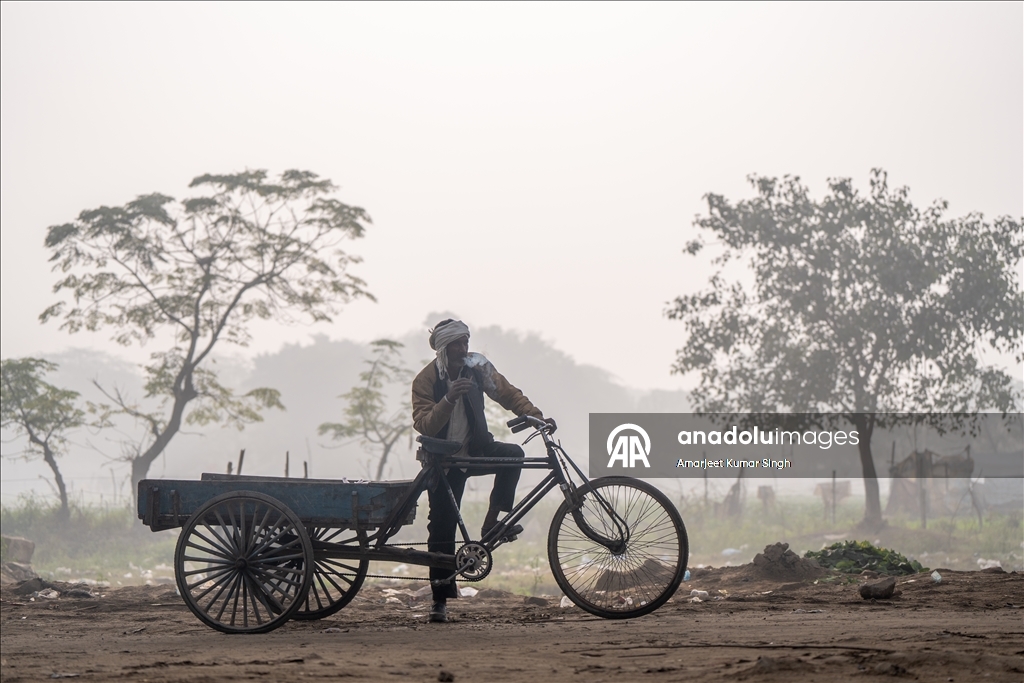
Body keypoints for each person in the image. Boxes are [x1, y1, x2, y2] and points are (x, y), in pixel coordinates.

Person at [411, 318, 551, 623]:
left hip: (476, 449)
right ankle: (439, 601)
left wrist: (535, 416)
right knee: (442, 527)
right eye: (457, 345)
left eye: (466, 342)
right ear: (443, 349)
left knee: (513, 455)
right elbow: (424, 424)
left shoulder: (477, 368)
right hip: (443, 460)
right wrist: (449, 399)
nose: (464, 349)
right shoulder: (426, 380)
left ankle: (491, 525)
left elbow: (507, 393)